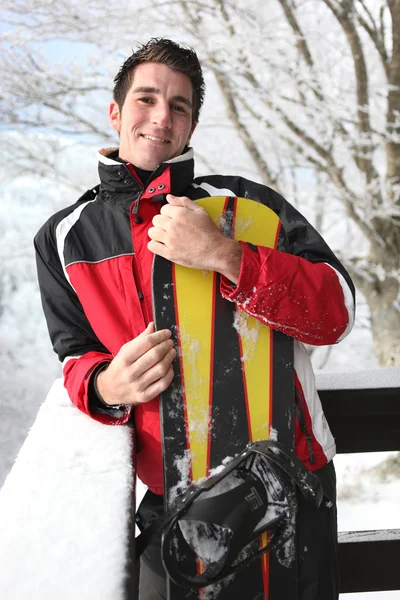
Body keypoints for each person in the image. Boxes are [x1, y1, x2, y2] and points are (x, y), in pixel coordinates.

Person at [34, 38, 355, 600]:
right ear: (115, 112)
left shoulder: (248, 207)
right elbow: (74, 355)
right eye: (146, 98)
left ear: (191, 127)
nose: (161, 117)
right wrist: (107, 384)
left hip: (293, 489)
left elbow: (336, 312)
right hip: (175, 502)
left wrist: (226, 255)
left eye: (179, 106)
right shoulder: (64, 238)